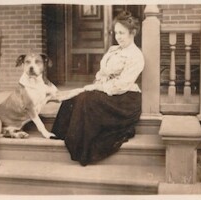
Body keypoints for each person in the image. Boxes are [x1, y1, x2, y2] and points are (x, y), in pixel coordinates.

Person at [51, 11, 144, 166]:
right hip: (108, 89)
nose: (118, 37)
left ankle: (82, 149)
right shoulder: (113, 50)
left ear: (132, 33)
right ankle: (63, 134)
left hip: (125, 98)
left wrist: (98, 87)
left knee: (86, 99)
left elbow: (122, 85)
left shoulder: (136, 55)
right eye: (116, 33)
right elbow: (102, 72)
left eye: (122, 33)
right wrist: (98, 82)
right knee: (74, 97)